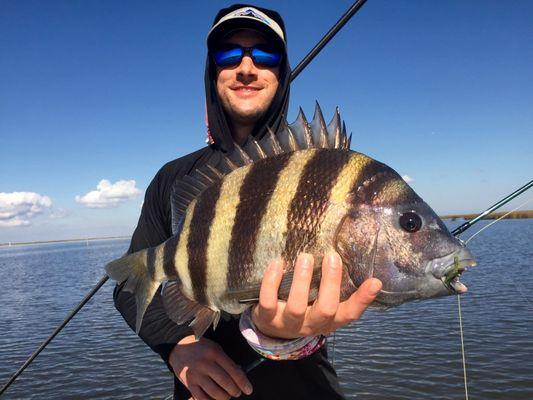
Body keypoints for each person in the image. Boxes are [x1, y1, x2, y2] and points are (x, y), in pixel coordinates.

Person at [113, 4, 382, 400]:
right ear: (212, 72)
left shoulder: (324, 170)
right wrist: (178, 347)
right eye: (228, 54)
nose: (246, 67)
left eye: (265, 54)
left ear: (281, 72)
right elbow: (130, 280)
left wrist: (286, 336)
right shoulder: (174, 180)